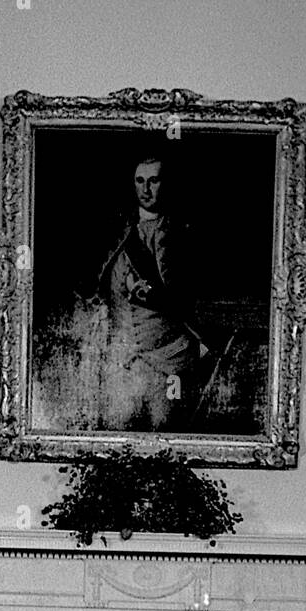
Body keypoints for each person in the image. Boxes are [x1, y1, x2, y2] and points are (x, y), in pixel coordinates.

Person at [95, 153, 208, 429]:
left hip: (169, 361)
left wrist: (145, 293)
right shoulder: (119, 234)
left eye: (154, 181)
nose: (146, 189)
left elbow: (181, 298)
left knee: (166, 437)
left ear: (166, 184)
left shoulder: (182, 234)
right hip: (124, 362)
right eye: (140, 181)